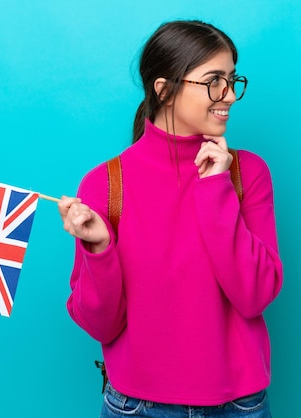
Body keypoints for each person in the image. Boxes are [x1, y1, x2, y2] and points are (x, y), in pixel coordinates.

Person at [58, 20, 283, 418]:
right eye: (215, 81)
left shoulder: (247, 173)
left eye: (233, 80)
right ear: (164, 90)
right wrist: (99, 249)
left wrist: (216, 191)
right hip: (137, 406)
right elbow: (101, 324)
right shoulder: (106, 184)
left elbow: (255, 295)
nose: (229, 95)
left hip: (239, 406)